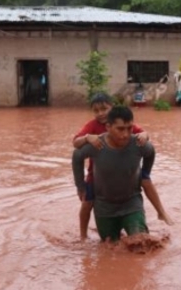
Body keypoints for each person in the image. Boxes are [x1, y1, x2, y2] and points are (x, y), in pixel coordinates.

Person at [72, 93, 172, 240]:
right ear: (109, 127)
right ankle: (83, 235)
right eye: (120, 129)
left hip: (129, 188)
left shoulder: (133, 137)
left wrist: (145, 172)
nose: (125, 135)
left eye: (128, 129)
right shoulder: (94, 136)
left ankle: (161, 212)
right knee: (88, 204)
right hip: (98, 177)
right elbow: (76, 151)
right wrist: (80, 186)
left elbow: (149, 147)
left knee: (146, 183)